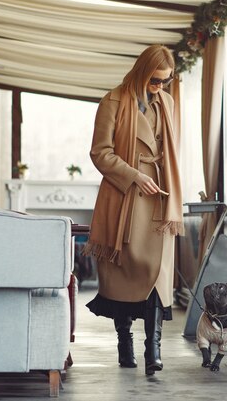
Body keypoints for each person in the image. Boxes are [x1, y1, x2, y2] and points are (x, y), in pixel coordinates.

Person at [84, 44, 184, 376]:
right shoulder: (112, 100)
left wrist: (161, 181)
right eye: (156, 80)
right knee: (125, 273)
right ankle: (124, 341)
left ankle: (153, 351)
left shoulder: (167, 103)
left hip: (160, 199)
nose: (160, 87)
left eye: (166, 81)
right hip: (124, 196)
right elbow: (100, 153)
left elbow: (171, 150)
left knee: (157, 274)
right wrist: (134, 175)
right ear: (142, 72)